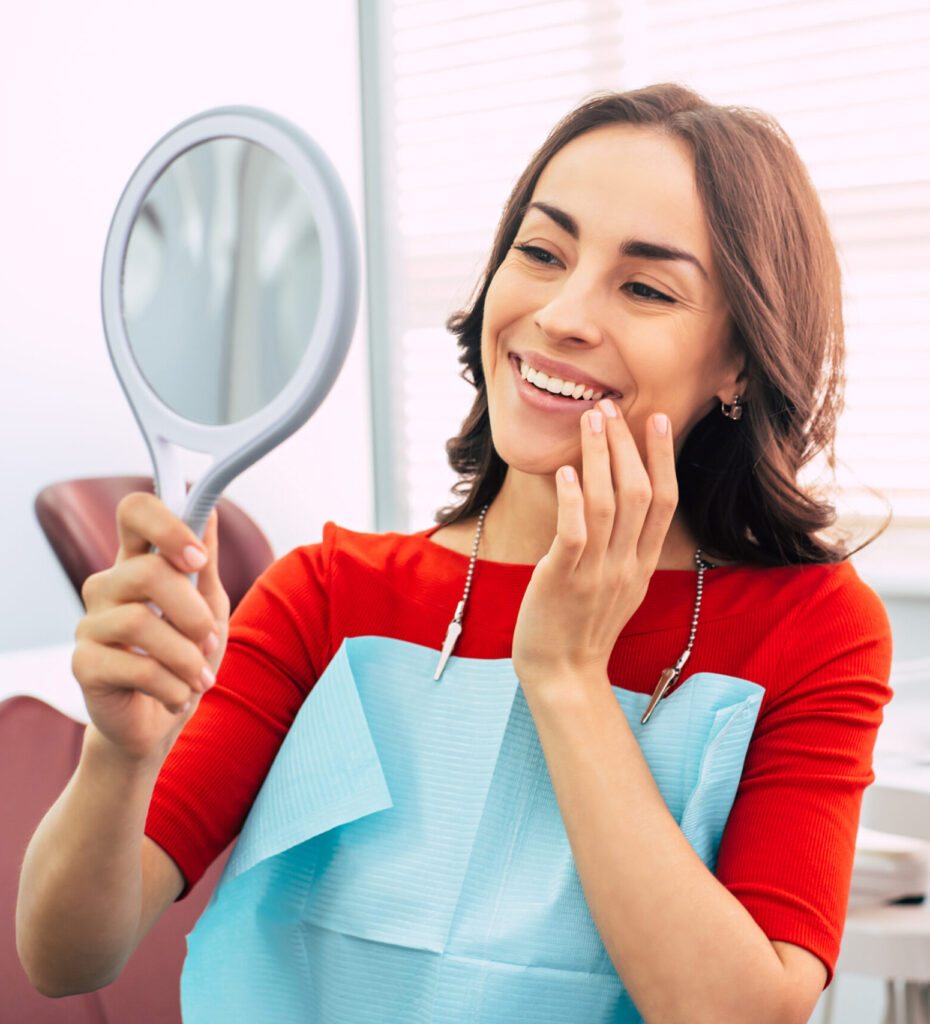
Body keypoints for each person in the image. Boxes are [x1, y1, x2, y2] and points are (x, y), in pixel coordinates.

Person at [17, 84, 891, 1024]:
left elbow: (737, 1015)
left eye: (644, 286)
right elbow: (67, 955)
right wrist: (116, 756)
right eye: (541, 252)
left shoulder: (814, 631)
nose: (561, 314)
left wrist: (563, 674)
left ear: (740, 362)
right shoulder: (327, 596)